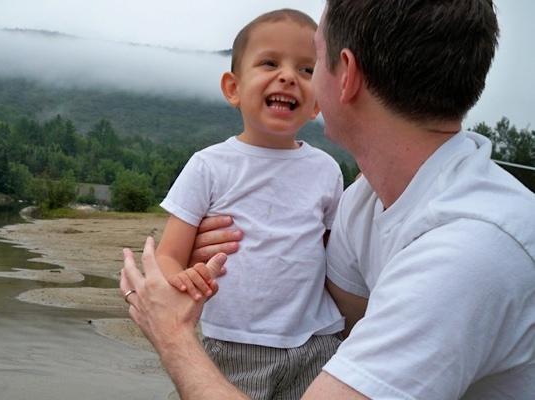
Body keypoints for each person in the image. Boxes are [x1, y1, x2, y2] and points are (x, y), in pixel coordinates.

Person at [121, 1, 535, 399]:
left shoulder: (471, 252)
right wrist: (218, 261)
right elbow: (344, 311)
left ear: (345, 76)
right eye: (270, 63)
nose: (292, 78)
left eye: (312, 62)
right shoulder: (365, 203)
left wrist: (173, 335)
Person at [155, 9, 344, 399]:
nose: (289, 76)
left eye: (307, 70)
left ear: (318, 103)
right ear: (233, 88)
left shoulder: (327, 170)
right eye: (270, 63)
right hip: (233, 346)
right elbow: (167, 257)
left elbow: (333, 257)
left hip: (317, 344)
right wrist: (181, 278)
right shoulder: (209, 165)